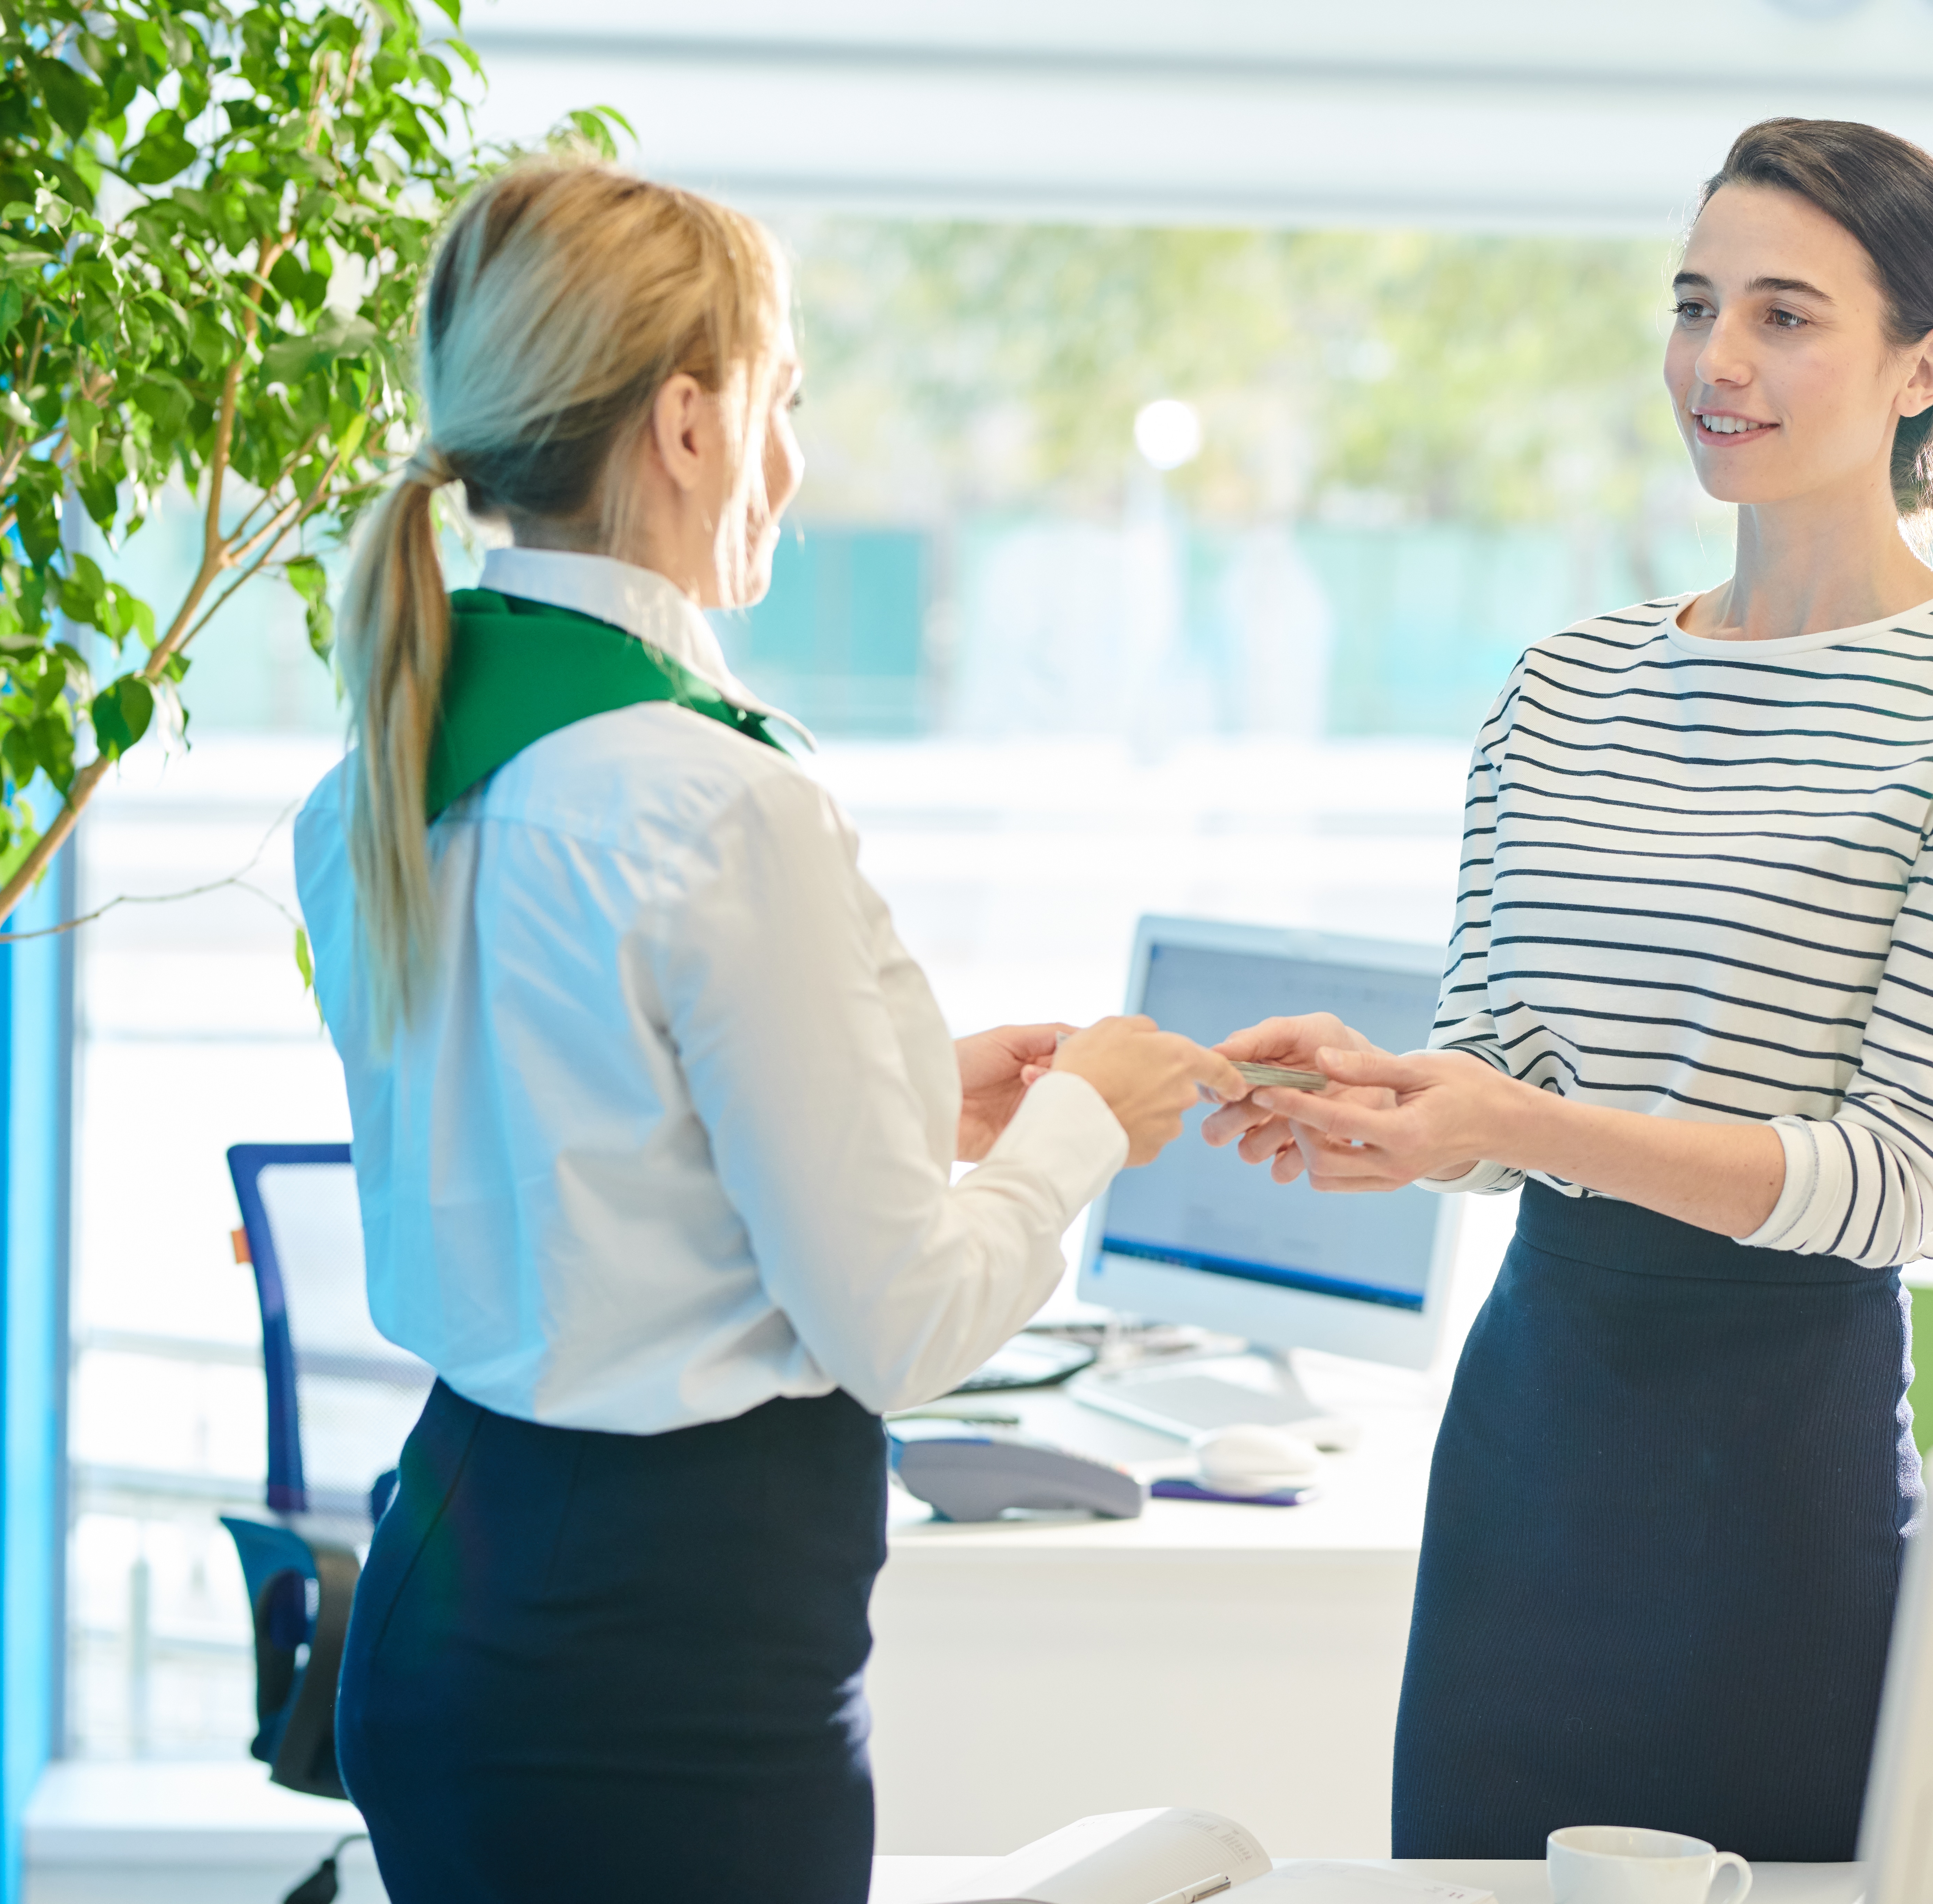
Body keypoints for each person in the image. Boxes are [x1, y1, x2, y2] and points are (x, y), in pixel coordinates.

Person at [293, 159, 1243, 1904]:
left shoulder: (386, 775)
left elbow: (577, 1148)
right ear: (685, 423)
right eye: (782, 402)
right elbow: (905, 1323)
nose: (790, 469)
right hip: (667, 1662)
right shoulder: (715, 803)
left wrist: (900, 1100)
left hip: (450, 1587)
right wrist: (1085, 1118)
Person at [1204, 118, 1933, 1860]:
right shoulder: (1567, 686)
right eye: (1696, 305)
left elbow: (1897, 1178)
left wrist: (1519, 1120)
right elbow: (1494, 1082)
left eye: (1787, 316)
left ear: (1928, 364)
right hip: (1532, 1431)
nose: (1718, 362)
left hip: (1769, 1467)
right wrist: (1389, 1113)